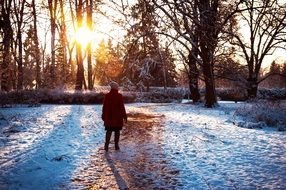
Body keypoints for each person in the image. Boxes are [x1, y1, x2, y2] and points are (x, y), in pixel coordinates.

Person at [102, 81, 127, 151]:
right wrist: (124, 116)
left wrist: (103, 115)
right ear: (116, 88)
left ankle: (106, 145)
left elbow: (104, 107)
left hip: (109, 117)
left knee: (109, 131)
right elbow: (122, 107)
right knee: (117, 131)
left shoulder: (107, 96)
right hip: (117, 117)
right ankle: (116, 145)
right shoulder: (119, 96)